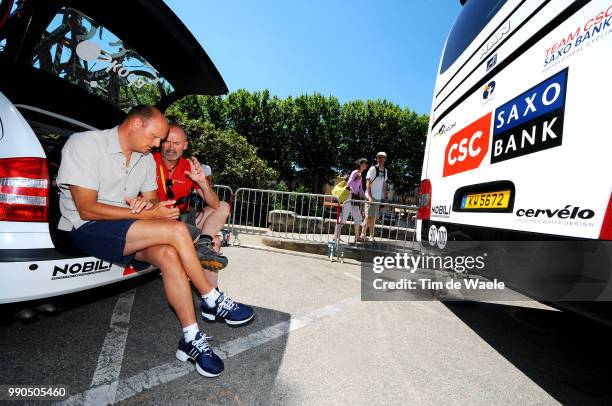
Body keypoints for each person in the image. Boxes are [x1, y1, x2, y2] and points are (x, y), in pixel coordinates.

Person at [56, 105, 253, 378]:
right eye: (157, 137)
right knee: (176, 232)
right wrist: (148, 212)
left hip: (124, 227)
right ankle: (211, 298)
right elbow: (87, 208)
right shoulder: (85, 143)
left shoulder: (145, 159)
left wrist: (147, 206)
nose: (159, 144)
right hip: (85, 227)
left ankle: (191, 339)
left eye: (166, 140)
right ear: (136, 123)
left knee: (169, 256)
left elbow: (152, 201)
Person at [153, 124, 230, 276]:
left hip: (182, 219)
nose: (170, 148)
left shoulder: (190, 166)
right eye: (167, 142)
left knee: (223, 207)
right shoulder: (148, 161)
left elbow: (214, 204)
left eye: (176, 143)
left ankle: (203, 244)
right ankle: (210, 294)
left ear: (185, 145)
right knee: (215, 241)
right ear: (161, 142)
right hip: (155, 221)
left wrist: (202, 182)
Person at [334, 158, 368, 244]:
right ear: (360, 164)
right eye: (365, 163)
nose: (366, 165)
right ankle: (335, 236)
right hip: (349, 196)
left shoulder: (360, 175)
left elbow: (360, 190)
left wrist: (366, 198)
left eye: (366, 164)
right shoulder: (355, 172)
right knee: (343, 218)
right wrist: (357, 179)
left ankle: (356, 238)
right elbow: (349, 183)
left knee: (357, 218)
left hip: (355, 198)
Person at [360, 151, 389, 241]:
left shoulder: (385, 171)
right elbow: (368, 182)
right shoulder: (373, 169)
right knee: (368, 216)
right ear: (377, 158)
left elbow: (384, 185)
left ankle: (371, 236)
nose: (381, 159)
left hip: (378, 197)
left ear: (385, 159)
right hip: (370, 196)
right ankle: (363, 235)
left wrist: (386, 197)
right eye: (379, 157)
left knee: (374, 217)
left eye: (383, 157)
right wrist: (369, 197)